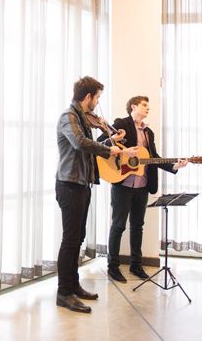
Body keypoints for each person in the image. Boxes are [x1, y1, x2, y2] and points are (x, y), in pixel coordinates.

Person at [55, 76, 138, 313]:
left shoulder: (82, 118)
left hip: (82, 184)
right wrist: (112, 149)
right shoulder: (68, 117)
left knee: (78, 238)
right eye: (98, 97)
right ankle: (64, 293)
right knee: (70, 241)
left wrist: (112, 139)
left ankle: (74, 286)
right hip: (69, 185)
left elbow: (90, 147)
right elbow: (81, 144)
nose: (98, 101)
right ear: (88, 96)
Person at [104, 95, 188, 283]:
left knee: (137, 227)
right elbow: (103, 142)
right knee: (118, 226)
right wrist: (121, 154)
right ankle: (113, 267)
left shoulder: (148, 132)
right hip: (123, 184)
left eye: (148, 105)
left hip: (142, 186)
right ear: (133, 106)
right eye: (144, 105)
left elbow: (154, 157)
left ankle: (136, 265)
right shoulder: (121, 123)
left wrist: (175, 166)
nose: (147, 108)